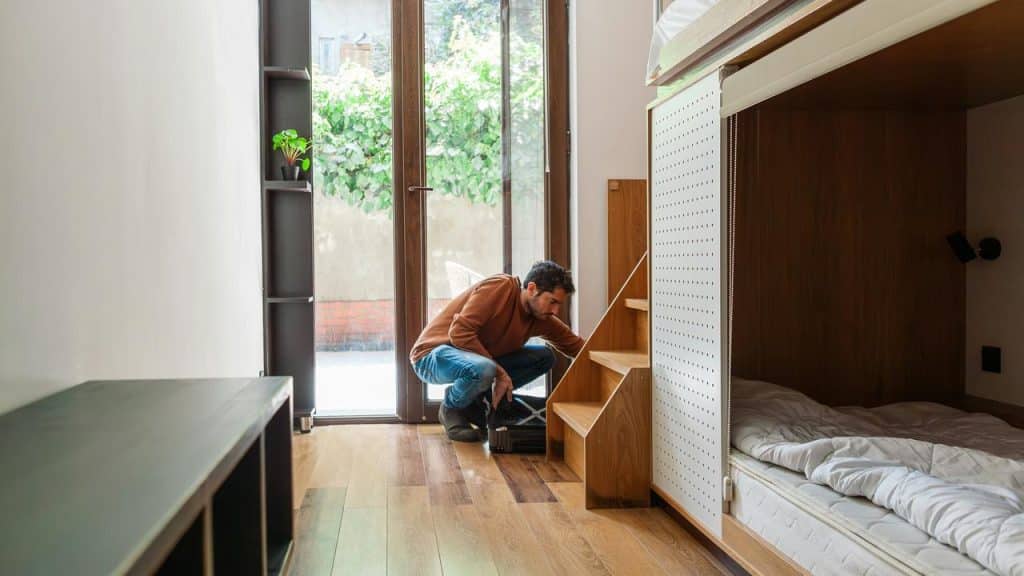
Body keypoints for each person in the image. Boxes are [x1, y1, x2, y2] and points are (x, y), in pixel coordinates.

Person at [410, 260, 585, 442]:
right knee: (485, 368)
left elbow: (575, 346)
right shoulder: (501, 288)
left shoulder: (541, 317)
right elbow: (460, 333)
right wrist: (500, 373)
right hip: (432, 356)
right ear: (532, 288)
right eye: (552, 302)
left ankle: (478, 403)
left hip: (475, 361)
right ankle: (451, 407)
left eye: (559, 305)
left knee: (544, 357)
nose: (555, 311)